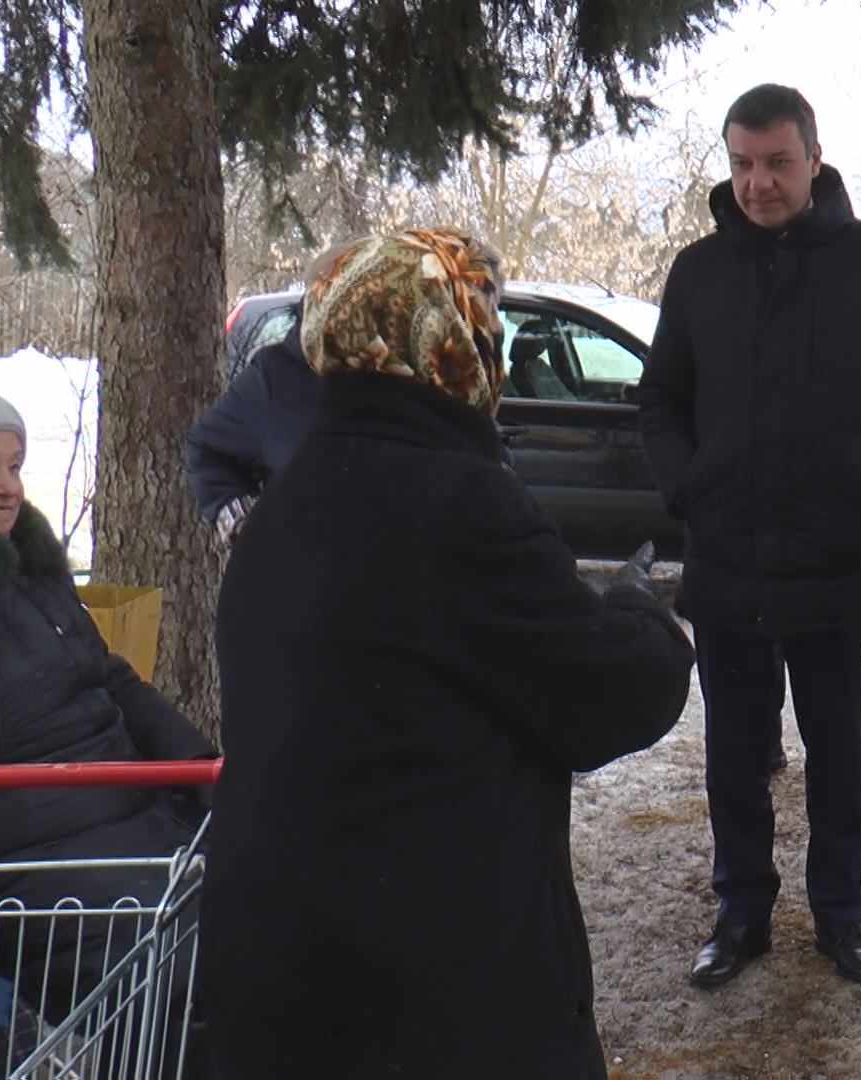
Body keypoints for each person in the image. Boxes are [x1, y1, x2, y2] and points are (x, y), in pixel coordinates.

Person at [203, 228, 697, 1079]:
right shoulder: (458, 501)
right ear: (452, 343)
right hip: (426, 983)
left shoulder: (289, 501)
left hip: (280, 968)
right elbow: (610, 696)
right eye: (483, 324)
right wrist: (638, 608)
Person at [637, 83, 861, 989]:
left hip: (837, 562)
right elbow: (661, 398)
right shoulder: (699, 271)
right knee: (733, 756)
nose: (758, 182)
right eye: (742, 164)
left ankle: (840, 915)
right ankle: (741, 913)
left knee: (841, 756)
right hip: (728, 556)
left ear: (814, 158)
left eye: (777, 163)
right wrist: (690, 482)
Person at [0, 388, 215, 1019]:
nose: (7, 486)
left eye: (14, 465)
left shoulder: (29, 571)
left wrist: (205, 771)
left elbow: (109, 680)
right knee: (190, 971)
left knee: (285, 898)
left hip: (135, 825)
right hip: (22, 873)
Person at [184, 246, 348, 545]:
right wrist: (245, 522)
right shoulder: (278, 375)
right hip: (308, 565)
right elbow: (207, 448)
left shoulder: (415, 369)